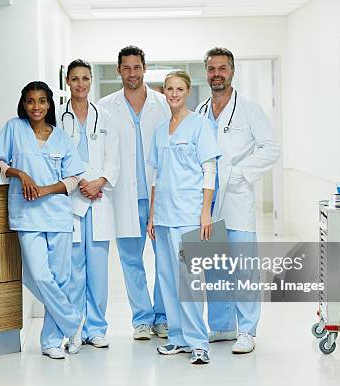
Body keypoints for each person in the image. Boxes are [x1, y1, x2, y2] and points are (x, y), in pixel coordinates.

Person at [0, 81, 85, 359]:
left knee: (60, 279)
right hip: (27, 215)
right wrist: (20, 173)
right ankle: (73, 321)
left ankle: (51, 342)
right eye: (30, 101)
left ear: (49, 105)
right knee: (38, 275)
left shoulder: (61, 137)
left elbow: (72, 179)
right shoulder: (13, 128)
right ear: (23, 104)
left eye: (42, 101)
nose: (36, 107)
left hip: (57, 215)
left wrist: (45, 189)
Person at [195, 47, 280, 354]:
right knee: (215, 266)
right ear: (206, 73)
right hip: (208, 201)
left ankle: (246, 330)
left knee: (243, 268)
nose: (216, 74)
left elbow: (271, 148)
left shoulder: (249, 109)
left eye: (222, 68)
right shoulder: (201, 111)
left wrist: (241, 175)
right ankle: (221, 326)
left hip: (237, 197)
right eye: (211, 69)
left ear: (231, 72)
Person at [147, 70, 220, 365]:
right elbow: (154, 176)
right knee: (166, 278)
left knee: (190, 279)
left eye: (179, 88)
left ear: (187, 92)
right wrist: (152, 215)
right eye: (169, 88)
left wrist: (205, 213)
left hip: (189, 214)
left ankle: (198, 342)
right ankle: (177, 338)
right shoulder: (160, 130)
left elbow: (210, 169)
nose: (174, 93)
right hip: (163, 215)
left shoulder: (199, 126)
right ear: (164, 92)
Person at [99, 46, 171, 340]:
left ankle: (163, 317)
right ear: (119, 70)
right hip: (123, 197)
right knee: (131, 262)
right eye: (126, 68)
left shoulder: (164, 103)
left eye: (137, 67)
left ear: (145, 68)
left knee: (165, 260)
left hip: (160, 197)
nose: (132, 73)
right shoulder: (105, 107)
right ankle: (142, 319)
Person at [56, 59, 120, 350]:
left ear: (91, 81)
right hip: (70, 198)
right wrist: (78, 182)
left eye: (85, 78)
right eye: (75, 79)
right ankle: (75, 327)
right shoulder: (57, 118)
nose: (80, 84)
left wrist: (100, 181)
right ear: (67, 82)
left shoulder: (104, 117)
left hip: (99, 198)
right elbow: (54, 157)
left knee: (97, 270)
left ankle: (97, 328)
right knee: (74, 270)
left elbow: (113, 156)